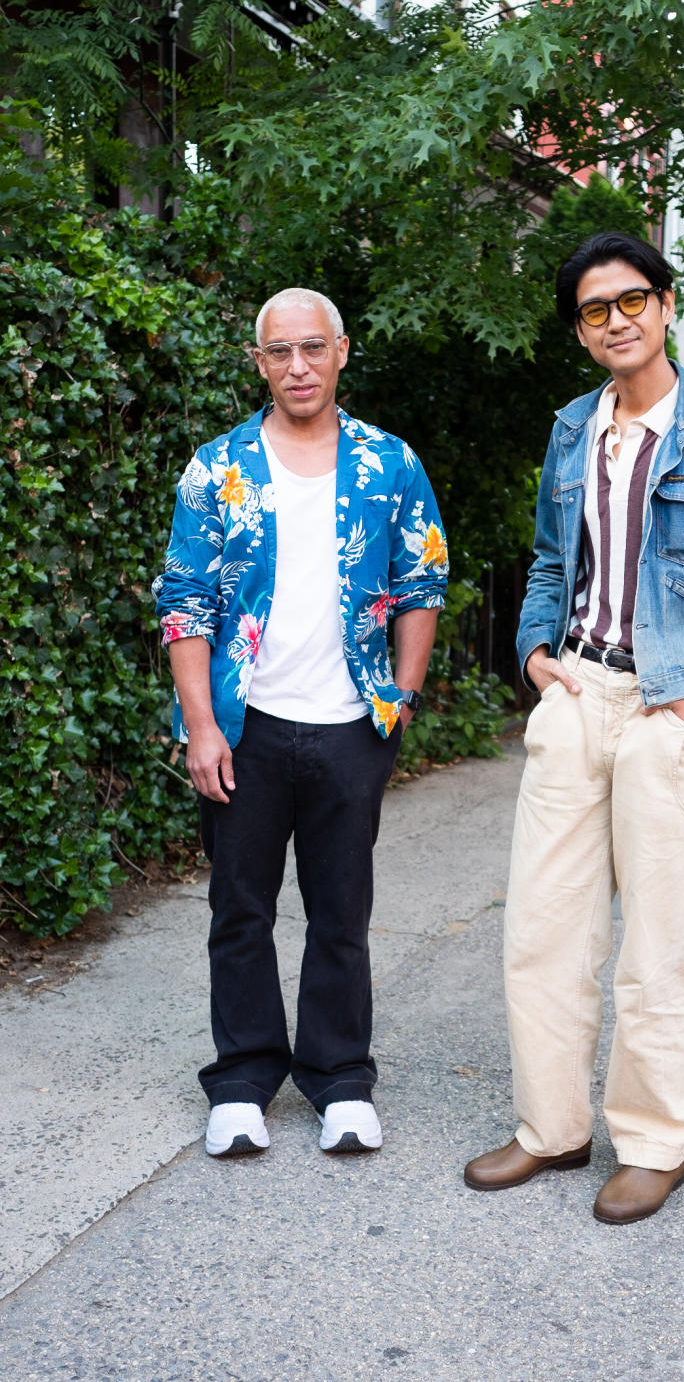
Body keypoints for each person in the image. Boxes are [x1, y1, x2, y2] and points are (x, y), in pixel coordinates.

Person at [464, 232, 684, 1223]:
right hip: (577, 698)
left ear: (665, 307)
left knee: (656, 943)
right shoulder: (572, 430)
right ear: (579, 331)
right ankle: (552, 1127)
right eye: (593, 309)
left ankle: (656, 1141)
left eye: (631, 301)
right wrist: (537, 654)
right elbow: (547, 556)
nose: (615, 320)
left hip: (674, 709)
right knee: (542, 928)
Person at [153, 287, 447, 1159]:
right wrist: (202, 725)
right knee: (238, 907)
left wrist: (401, 697)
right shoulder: (219, 467)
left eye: (312, 348)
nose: (298, 367)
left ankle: (340, 1079)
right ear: (260, 362)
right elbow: (184, 605)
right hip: (246, 727)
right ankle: (242, 1079)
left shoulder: (389, 463)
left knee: (341, 910)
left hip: (352, 721)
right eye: (279, 352)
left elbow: (422, 581)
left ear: (343, 351)